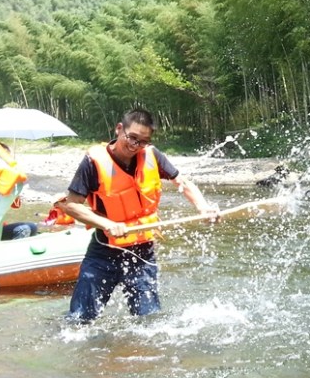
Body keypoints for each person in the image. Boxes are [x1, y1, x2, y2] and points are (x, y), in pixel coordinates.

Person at [58, 108, 217, 322]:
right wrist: (106, 223)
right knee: (79, 320)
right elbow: (71, 205)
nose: (135, 146)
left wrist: (203, 207)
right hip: (104, 252)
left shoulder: (151, 155)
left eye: (143, 141)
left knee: (148, 321)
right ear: (119, 129)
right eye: (132, 138)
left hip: (142, 253)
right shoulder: (93, 162)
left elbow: (183, 182)